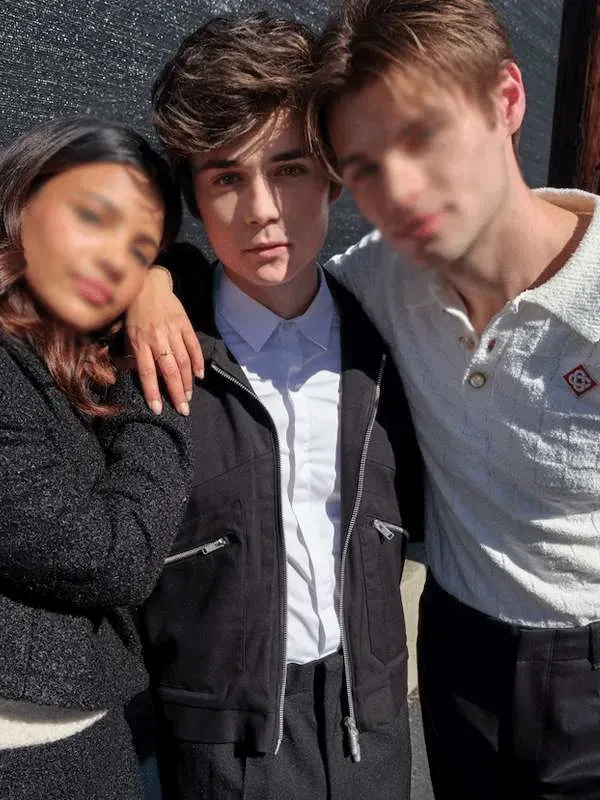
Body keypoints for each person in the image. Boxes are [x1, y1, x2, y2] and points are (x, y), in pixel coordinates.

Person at [130, 13, 423, 800]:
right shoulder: (158, 351)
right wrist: (151, 278)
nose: (262, 209)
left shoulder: (389, 342)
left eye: (288, 169)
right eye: (227, 178)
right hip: (220, 746)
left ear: (332, 174)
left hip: (370, 730)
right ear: (193, 196)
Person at [0, 117, 191, 800]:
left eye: (140, 245)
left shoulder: (54, 342)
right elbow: (115, 554)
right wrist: (155, 377)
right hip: (32, 756)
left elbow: (196, 266)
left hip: (91, 728)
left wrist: (158, 283)